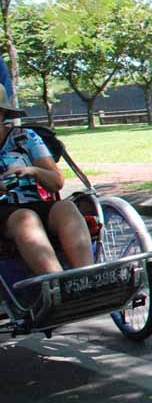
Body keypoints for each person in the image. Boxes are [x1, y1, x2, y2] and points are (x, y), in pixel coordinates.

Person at [0, 90, 92, 276]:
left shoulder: (25, 137)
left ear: (2, 114)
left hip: (33, 204)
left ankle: (87, 278)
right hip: (6, 214)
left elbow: (56, 182)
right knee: (24, 218)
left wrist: (34, 171)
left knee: (65, 208)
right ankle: (58, 283)